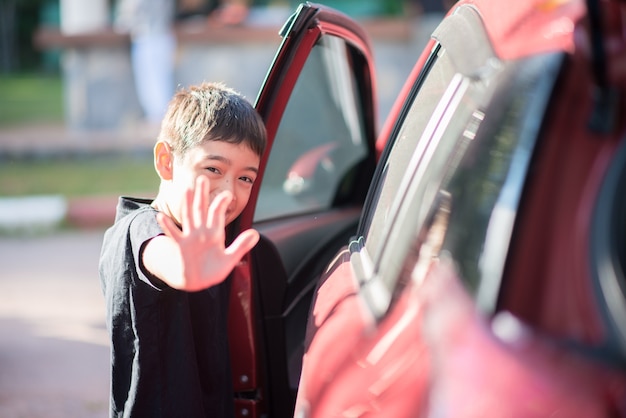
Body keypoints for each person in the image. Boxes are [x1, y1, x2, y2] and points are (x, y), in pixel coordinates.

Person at [98, 81, 267, 417]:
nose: (229, 192)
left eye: (245, 178)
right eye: (213, 169)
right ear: (166, 161)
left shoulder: (208, 235)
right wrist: (185, 270)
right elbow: (160, 256)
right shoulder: (140, 229)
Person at [114, 0, 177, 124]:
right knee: (151, 79)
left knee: (157, 79)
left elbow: (131, 11)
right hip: (150, 36)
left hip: (153, 36)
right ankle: (156, 117)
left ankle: (159, 118)